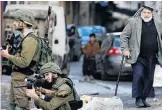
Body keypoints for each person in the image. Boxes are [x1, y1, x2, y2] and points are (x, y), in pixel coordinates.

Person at [120, 5, 162, 108]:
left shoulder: (158, 23)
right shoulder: (133, 22)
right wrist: (125, 49)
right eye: (145, 12)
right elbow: (124, 36)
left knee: (149, 79)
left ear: (151, 14)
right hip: (138, 56)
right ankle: (138, 98)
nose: (146, 14)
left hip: (152, 56)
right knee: (138, 75)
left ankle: (143, 98)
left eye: (148, 13)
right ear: (141, 12)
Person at [1, 9, 39, 110]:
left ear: (24, 23)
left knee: (21, 107)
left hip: (22, 79)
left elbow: (24, 62)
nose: (13, 23)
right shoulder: (23, 38)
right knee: (11, 106)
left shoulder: (30, 40)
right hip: (17, 78)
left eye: (16, 21)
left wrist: (8, 56)